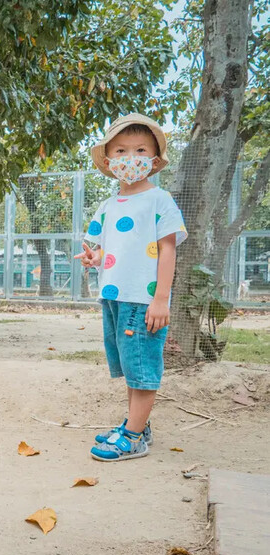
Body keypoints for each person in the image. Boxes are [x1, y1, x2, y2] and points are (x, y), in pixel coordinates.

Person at [75, 113, 187, 462]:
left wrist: (161, 300)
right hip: (114, 297)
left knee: (142, 370)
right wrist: (95, 259)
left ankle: (134, 436)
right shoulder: (109, 206)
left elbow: (167, 249)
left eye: (139, 150)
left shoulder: (159, 200)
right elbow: (111, 250)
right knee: (131, 366)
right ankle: (137, 424)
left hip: (143, 299)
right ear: (109, 162)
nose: (130, 158)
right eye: (121, 151)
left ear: (153, 161)